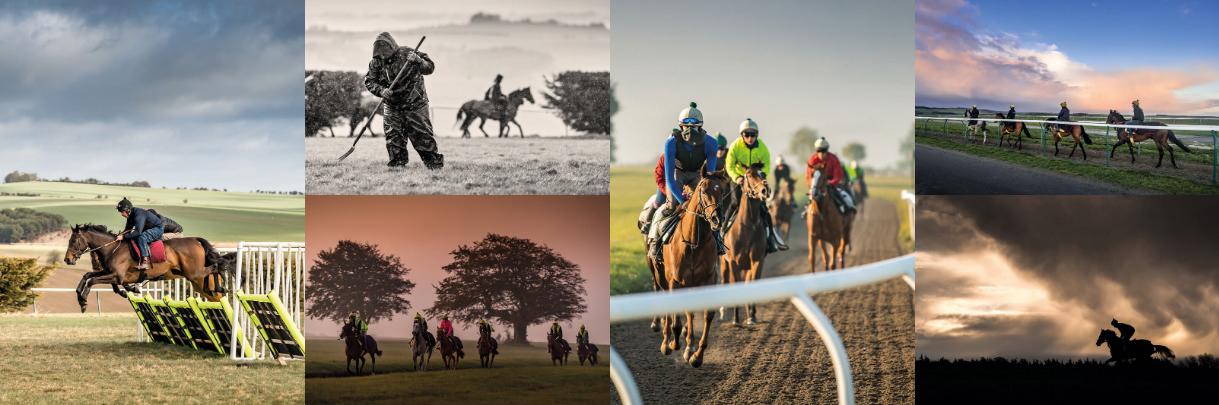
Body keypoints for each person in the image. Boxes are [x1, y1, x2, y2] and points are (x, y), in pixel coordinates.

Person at [647, 102, 724, 264]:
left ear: (700, 126)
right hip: (678, 174)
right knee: (670, 205)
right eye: (686, 125)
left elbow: (708, 177)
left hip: (698, 174)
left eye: (694, 125)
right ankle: (655, 242)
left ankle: (718, 240)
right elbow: (669, 179)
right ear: (680, 127)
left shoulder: (711, 143)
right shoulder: (671, 142)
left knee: (708, 206)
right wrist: (683, 201)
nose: (690, 129)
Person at [364, 32, 444, 169]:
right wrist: (381, 90)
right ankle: (397, 164)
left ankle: (434, 165)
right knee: (393, 136)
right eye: (380, 55)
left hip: (415, 103)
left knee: (422, 136)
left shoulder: (409, 53)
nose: (383, 57)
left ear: (391, 48)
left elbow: (429, 68)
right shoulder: (375, 62)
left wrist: (419, 61)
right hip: (392, 105)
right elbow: (370, 81)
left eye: (385, 53)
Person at [724, 118, 787, 252]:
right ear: (742, 135)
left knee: (764, 208)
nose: (750, 138)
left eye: (753, 135)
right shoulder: (735, 146)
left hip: (755, 183)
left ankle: (772, 239)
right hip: (739, 180)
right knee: (734, 203)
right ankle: (721, 233)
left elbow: (767, 165)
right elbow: (729, 165)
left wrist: (760, 178)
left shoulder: (762, 147)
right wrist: (737, 177)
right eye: (747, 135)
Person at [805, 137, 855, 214]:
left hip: (831, 184)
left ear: (827, 150)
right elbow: (808, 176)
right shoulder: (812, 160)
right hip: (817, 184)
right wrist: (813, 185)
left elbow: (838, 175)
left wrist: (831, 182)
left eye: (824, 151)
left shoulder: (833, 158)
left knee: (840, 195)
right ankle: (807, 210)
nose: (821, 154)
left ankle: (847, 207)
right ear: (816, 151)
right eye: (819, 151)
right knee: (811, 197)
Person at [115, 197, 164, 270]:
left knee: (142, 237)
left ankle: (145, 262)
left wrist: (124, 237)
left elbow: (138, 231)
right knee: (132, 237)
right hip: (149, 228)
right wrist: (121, 234)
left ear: (127, 210)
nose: (121, 214)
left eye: (122, 212)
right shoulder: (131, 215)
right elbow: (128, 229)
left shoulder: (139, 214)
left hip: (158, 229)